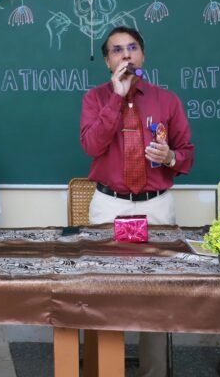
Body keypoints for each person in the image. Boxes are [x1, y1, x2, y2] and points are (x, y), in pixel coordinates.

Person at [80, 26, 194, 377]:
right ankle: (104, 370)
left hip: (155, 205)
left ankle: (153, 371)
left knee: (156, 293)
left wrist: (170, 156)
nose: (125, 54)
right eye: (117, 50)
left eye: (132, 48)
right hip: (110, 204)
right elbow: (92, 146)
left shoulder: (166, 100)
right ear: (107, 61)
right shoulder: (95, 98)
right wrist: (116, 98)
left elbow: (187, 155)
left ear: (143, 55)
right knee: (103, 289)